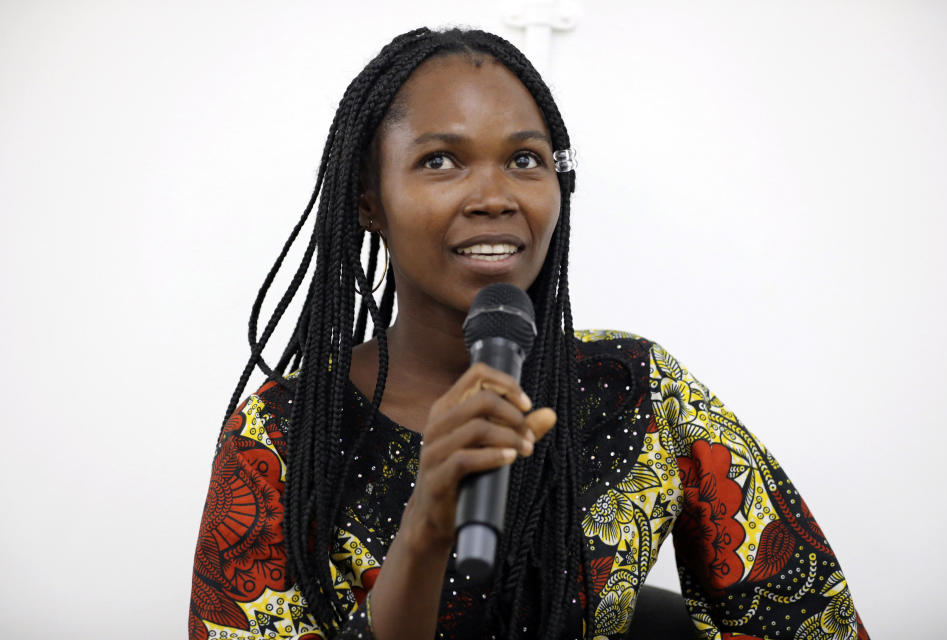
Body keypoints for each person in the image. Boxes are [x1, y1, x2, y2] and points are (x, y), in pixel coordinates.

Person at [189, 27, 869, 640]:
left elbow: (807, 612)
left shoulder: (637, 390)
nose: (495, 195)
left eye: (524, 160)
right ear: (370, 201)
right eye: (439, 161)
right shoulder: (278, 439)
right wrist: (427, 528)